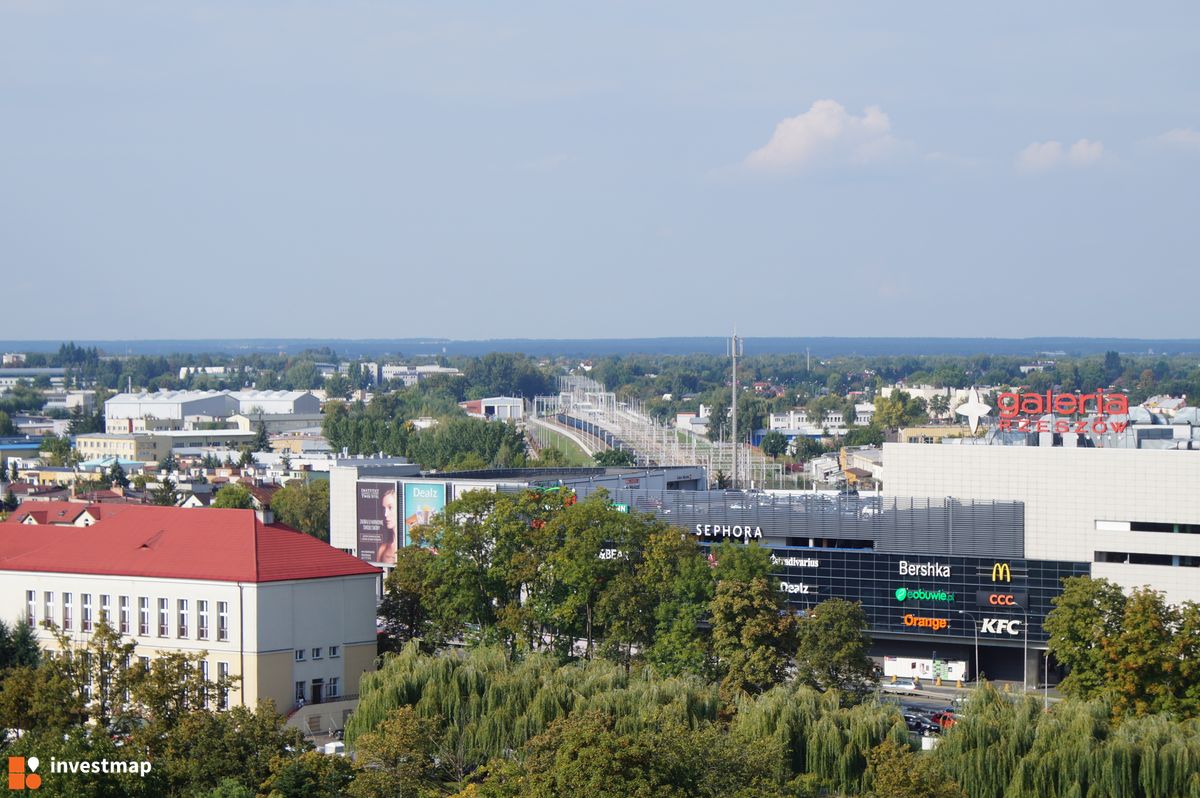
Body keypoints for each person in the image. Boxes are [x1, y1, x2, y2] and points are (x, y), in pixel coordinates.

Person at [373, 487, 398, 564]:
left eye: (390, 508)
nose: (385, 514)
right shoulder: (383, 549)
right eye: (384, 509)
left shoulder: (413, 547)